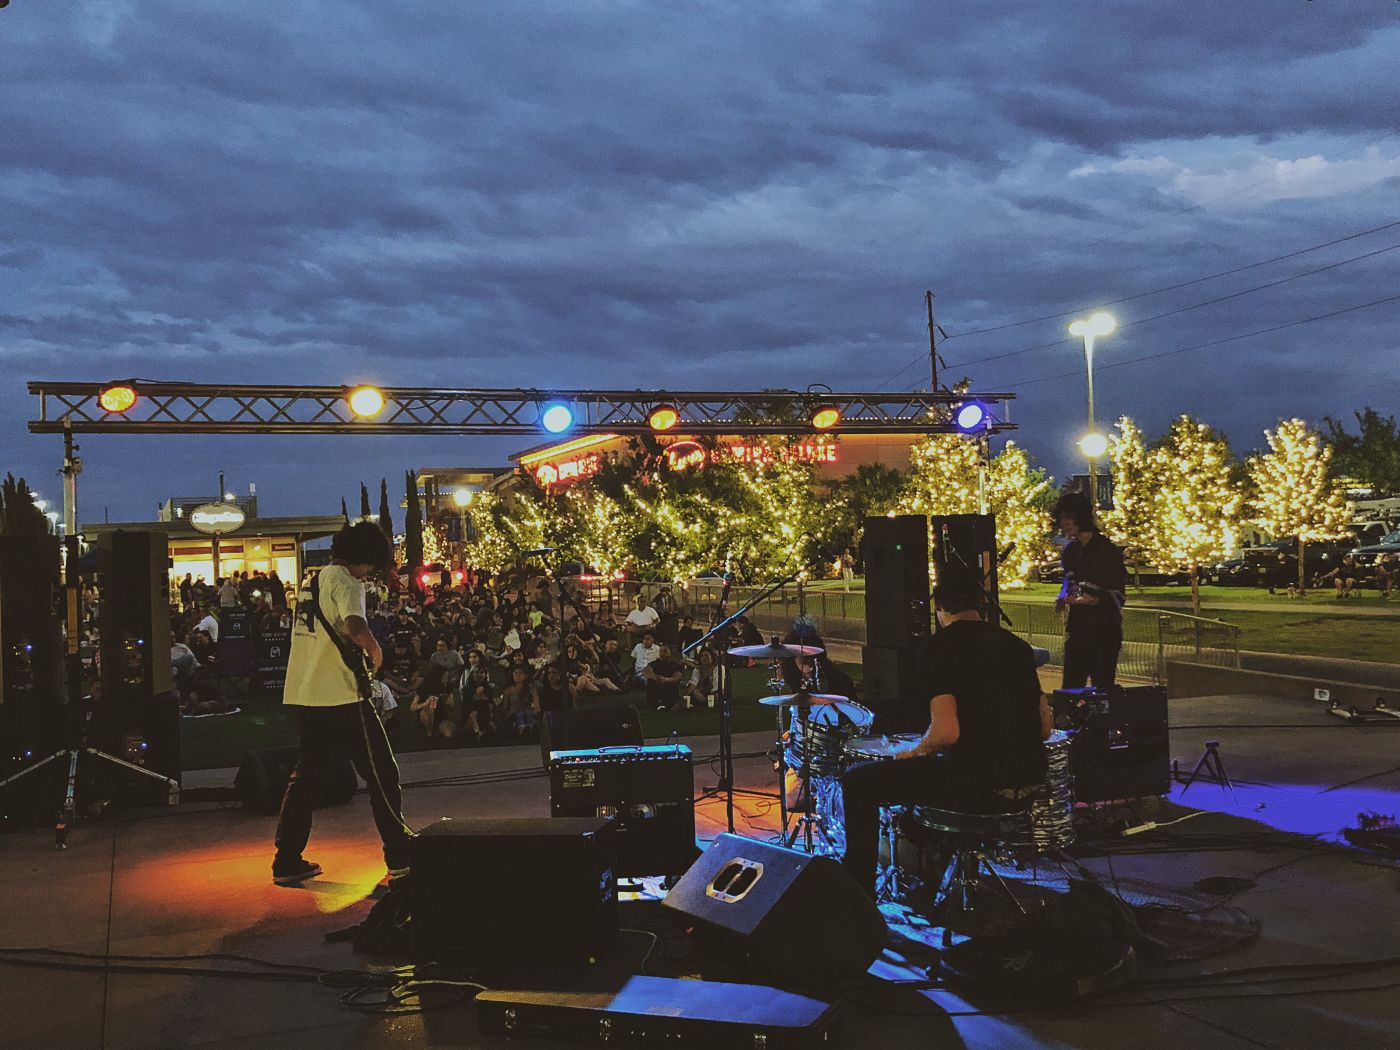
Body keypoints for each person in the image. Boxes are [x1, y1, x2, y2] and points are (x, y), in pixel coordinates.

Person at [839, 565, 1052, 899]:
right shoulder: (1017, 646)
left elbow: (946, 733)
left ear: (939, 608)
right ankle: (943, 871)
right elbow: (1044, 727)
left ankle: (856, 895)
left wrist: (915, 751)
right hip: (1030, 783)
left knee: (858, 781)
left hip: (980, 785)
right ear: (980, 608)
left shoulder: (939, 648)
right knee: (932, 774)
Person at [272, 520, 411, 887]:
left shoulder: (311, 581)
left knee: (304, 778)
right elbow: (354, 626)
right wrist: (376, 650)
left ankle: (286, 858)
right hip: (342, 694)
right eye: (372, 567)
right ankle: (399, 855)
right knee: (383, 774)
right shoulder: (347, 582)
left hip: (307, 692)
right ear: (363, 559)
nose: (370, 575)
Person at [1052, 491, 1127, 689]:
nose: (1064, 524)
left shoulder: (1107, 550)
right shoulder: (1070, 552)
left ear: (1080, 518)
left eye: (1068, 519)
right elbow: (1068, 582)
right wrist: (1062, 598)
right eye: (1062, 519)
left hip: (1103, 630)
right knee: (1070, 687)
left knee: (1102, 687)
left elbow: (1118, 592)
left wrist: (1096, 600)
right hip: (1078, 630)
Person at [643, 642, 685, 709]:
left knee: (671, 683)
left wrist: (665, 680)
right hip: (655, 691)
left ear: (671, 653)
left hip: (669, 692)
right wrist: (655, 677)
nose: (662, 653)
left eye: (665, 651)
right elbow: (646, 671)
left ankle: (668, 702)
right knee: (650, 681)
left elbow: (678, 676)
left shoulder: (676, 665)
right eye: (661, 651)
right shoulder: (654, 663)